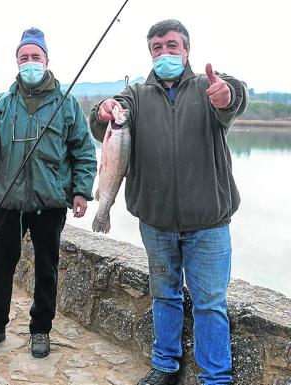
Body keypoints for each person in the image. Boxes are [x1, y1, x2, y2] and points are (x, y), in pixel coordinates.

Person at [89, 20, 248, 385]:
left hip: (209, 222)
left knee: (210, 303)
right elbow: (104, 123)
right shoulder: (137, 95)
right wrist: (103, 111)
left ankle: (216, 376)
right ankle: (165, 365)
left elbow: (234, 96)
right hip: (156, 223)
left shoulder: (208, 87)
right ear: (150, 53)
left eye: (171, 46)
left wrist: (229, 96)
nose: (164, 53)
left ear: (186, 50)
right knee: (164, 295)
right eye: (157, 47)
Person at [0, 27, 97, 358]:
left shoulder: (67, 104)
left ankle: (41, 330)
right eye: (24, 57)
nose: (30, 63)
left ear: (46, 60)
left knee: (47, 269)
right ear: (17, 62)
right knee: (0, 267)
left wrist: (81, 191)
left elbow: (84, 152)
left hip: (50, 202)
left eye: (35, 57)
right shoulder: (1, 104)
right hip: (7, 202)